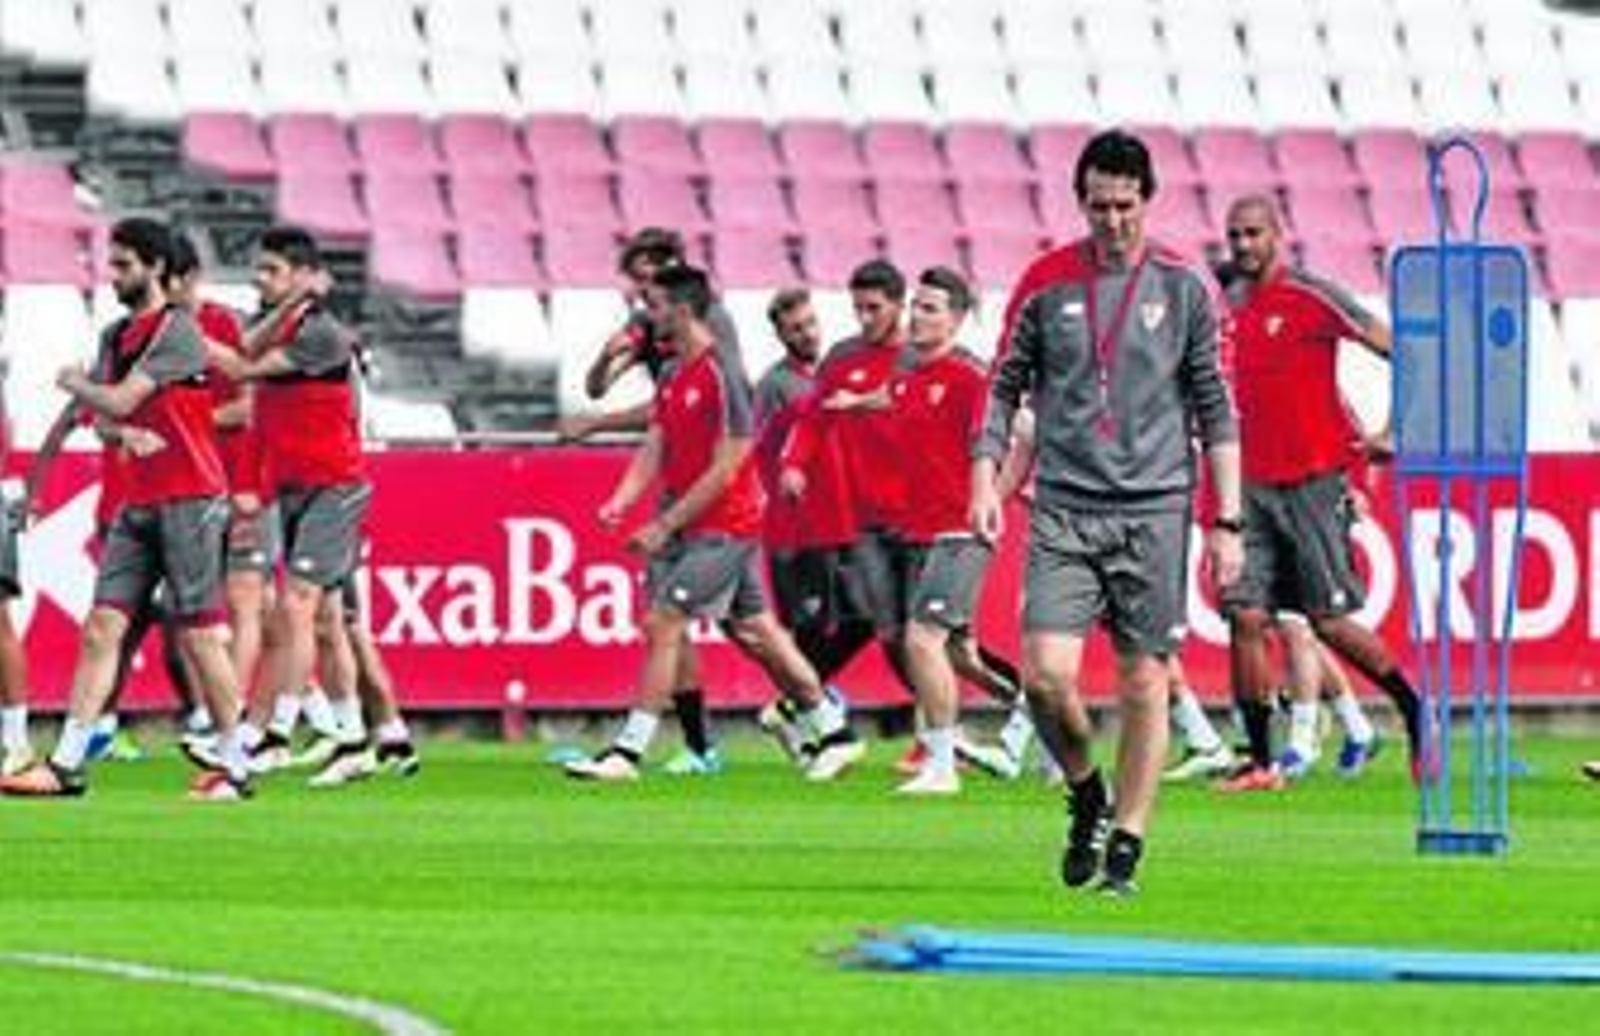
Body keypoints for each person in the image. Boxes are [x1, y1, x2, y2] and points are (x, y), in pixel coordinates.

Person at [971, 130, 1243, 894]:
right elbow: (1002, 386)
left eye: (1125, 206)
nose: (1113, 221)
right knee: (1047, 679)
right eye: (1099, 206)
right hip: (1063, 506)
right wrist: (983, 481)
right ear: (1080, 202)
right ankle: (1086, 789)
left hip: (1155, 509)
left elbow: (1216, 407)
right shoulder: (1045, 282)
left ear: (1146, 202)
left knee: (1143, 679)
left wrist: (1227, 522)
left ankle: (1128, 837)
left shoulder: (1185, 287)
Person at [565, 266, 864, 782]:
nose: (646, 317)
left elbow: (728, 467)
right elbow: (657, 443)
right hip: (693, 527)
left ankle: (628, 752)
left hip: (727, 527)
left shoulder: (722, 375)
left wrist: (665, 526)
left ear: (681, 311)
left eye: (654, 306)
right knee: (758, 634)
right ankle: (833, 731)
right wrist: (623, 499)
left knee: (664, 621)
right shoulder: (673, 373)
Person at [1, 217, 250, 800]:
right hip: (138, 502)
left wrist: (75, 384)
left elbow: (114, 397)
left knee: (201, 638)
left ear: (157, 269)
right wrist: (116, 436)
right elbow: (108, 418)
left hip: (192, 499)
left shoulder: (178, 332)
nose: (113, 275)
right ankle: (66, 766)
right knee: (101, 627)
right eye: (112, 264)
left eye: (124, 265)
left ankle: (237, 766)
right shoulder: (116, 335)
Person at [1215, 194, 1424, 793]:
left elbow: (1400, 350)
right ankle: (1260, 761)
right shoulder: (1229, 313)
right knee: (1245, 616)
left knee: (1328, 622)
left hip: (1313, 482)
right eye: (1236, 235)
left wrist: (1392, 432)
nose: (1244, 245)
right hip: (1250, 488)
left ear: (1278, 233)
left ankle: (1413, 709)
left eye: (1254, 233)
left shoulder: (1313, 296)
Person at [558, 227, 735, 775]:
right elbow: (653, 421)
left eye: (647, 288)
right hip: (683, 500)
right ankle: (702, 748)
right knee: (674, 626)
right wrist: (602, 366)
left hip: (724, 512)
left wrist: (663, 522)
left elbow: (726, 448)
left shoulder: (716, 356)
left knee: (728, 627)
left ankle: (821, 727)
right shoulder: (663, 351)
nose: (638, 299)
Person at [203, 226, 374, 777]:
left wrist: (186, 333)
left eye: (272, 270)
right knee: (323, 619)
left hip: (334, 486)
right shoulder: (288, 321)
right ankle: (353, 740)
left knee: (294, 608)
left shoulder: (322, 335)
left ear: (302, 274)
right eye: (260, 269)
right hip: (294, 486)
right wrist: (293, 300)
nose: (260, 279)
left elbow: (241, 368)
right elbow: (249, 348)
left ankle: (267, 732)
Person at [888, 267, 1028, 794]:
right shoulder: (908, 376)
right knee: (956, 653)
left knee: (921, 640)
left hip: (959, 532)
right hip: (924, 532)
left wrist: (997, 492)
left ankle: (942, 766)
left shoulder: (972, 377)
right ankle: (1032, 710)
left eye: (929, 308)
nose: (916, 317)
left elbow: (1027, 431)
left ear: (958, 318)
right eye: (915, 306)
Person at [750, 288, 862, 762]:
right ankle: (807, 730)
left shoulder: (839, 371)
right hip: (799, 529)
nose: (808, 333)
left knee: (863, 618)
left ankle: (787, 710)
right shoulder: (775, 386)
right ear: (779, 334)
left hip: (845, 520)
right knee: (808, 629)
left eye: (811, 323)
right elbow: (760, 453)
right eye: (796, 328)